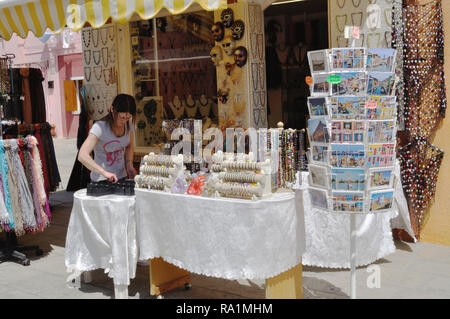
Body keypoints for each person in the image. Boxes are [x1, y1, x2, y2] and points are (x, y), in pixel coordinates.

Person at [78, 94, 137, 183]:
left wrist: (129, 165)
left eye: (128, 118)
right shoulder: (99, 127)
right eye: (121, 117)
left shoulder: (129, 124)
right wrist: (104, 172)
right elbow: (82, 155)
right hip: (101, 180)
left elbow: (129, 145)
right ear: (112, 109)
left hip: (122, 177)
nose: (124, 121)